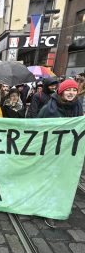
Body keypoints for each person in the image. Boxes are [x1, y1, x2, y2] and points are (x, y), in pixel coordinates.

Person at [38, 79, 83, 228]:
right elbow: (37, 129)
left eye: (74, 90)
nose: (71, 93)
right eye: (68, 90)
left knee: (63, 180)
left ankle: (58, 205)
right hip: (50, 153)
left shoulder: (78, 106)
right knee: (50, 180)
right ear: (61, 91)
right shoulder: (48, 108)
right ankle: (47, 210)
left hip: (68, 152)